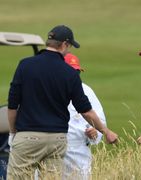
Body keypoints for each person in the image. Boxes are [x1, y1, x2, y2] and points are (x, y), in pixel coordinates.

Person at [7, 25, 118, 179]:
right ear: (64, 44)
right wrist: (106, 131)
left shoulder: (25, 65)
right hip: (57, 139)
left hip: (28, 136)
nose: (69, 50)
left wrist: (13, 133)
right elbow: (85, 110)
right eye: (70, 46)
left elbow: (13, 105)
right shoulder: (69, 73)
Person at [62, 53, 106, 179]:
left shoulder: (86, 90)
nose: (74, 76)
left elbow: (100, 120)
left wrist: (95, 132)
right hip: (53, 149)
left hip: (79, 151)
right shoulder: (49, 88)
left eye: (77, 72)